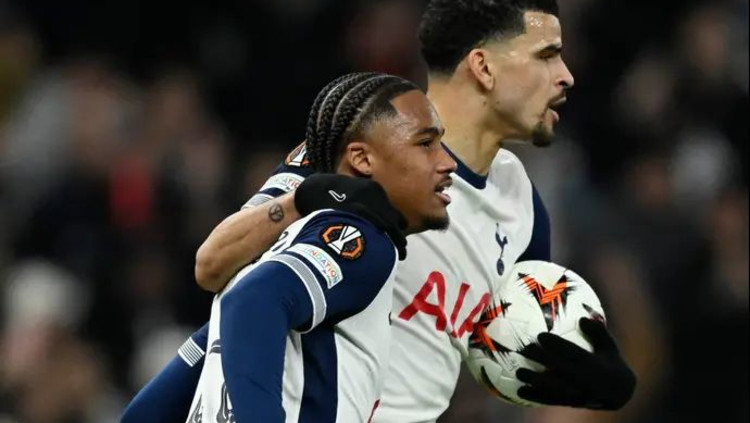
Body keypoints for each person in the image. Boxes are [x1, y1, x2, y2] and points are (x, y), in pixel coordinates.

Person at [127, 0, 636, 422]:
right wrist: (302, 197)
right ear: (484, 67)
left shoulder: (521, 203)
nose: (566, 76)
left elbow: (508, 347)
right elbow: (218, 269)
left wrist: (582, 374)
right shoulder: (358, 154)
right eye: (547, 56)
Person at [121, 72, 457, 422]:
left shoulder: (260, 257)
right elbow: (248, 297)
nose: (446, 162)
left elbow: (145, 412)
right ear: (362, 159)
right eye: (425, 143)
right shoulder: (364, 239)